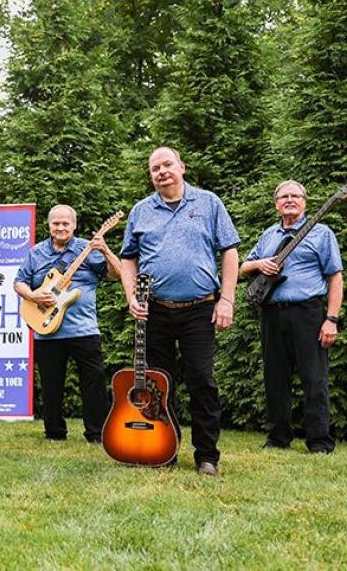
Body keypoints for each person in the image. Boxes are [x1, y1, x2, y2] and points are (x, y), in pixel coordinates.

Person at [118, 146, 240, 476]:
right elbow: (128, 257)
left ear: (182, 166)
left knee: (202, 380)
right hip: (154, 311)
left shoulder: (208, 203)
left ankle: (206, 456)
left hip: (200, 309)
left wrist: (226, 299)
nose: (162, 171)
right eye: (155, 168)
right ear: (151, 175)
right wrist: (131, 295)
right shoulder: (141, 211)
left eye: (167, 164)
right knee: (159, 385)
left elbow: (230, 251)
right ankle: (165, 450)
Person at [240, 180, 343, 454]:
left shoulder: (321, 234)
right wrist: (258, 264)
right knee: (275, 378)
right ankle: (278, 438)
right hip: (272, 314)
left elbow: (335, 276)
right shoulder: (268, 236)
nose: (289, 200)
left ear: (304, 202)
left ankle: (319, 442)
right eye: (283, 196)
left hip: (307, 313)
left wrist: (331, 319)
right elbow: (242, 268)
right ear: (276, 204)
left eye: (295, 196)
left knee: (314, 379)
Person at [14, 204, 120, 443]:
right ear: (49, 225)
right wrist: (32, 296)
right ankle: (54, 433)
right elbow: (19, 282)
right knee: (51, 386)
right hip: (46, 329)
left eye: (65, 223)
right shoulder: (36, 252)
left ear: (74, 225)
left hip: (83, 329)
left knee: (93, 383)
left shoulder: (88, 248)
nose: (61, 227)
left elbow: (116, 274)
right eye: (56, 223)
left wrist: (105, 251)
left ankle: (97, 433)